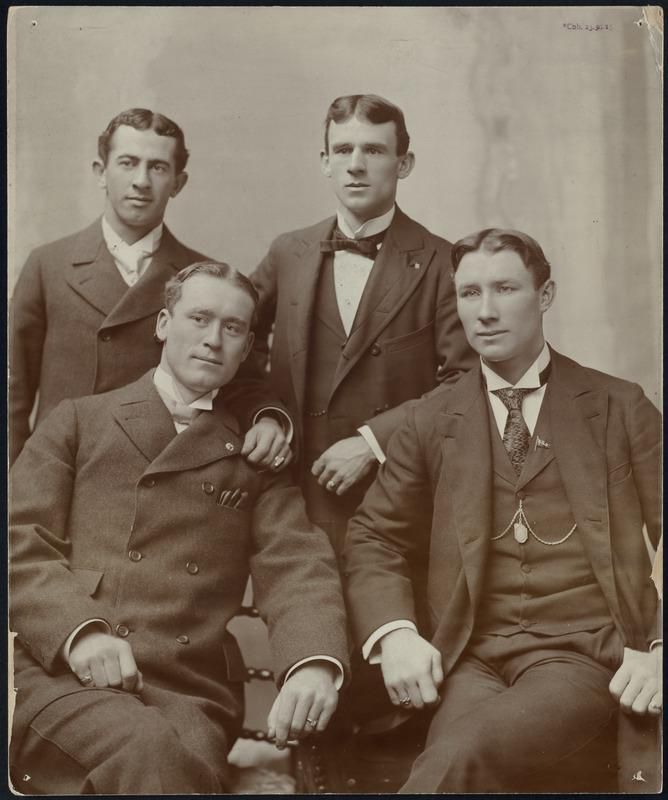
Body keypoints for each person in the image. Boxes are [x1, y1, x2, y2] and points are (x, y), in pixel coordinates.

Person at [9, 262, 349, 795]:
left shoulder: (254, 454)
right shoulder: (79, 421)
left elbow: (298, 567)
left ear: (247, 346)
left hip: (190, 695)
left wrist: (313, 664)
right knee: (148, 754)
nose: (213, 340)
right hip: (66, 677)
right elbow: (18, 541)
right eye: (199, 318)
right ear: (164, 323)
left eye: (232, 328)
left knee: (166, 758)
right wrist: (81, 631)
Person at [343, 228, 662, 792]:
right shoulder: (432, 418)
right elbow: (375, 536)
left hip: (580, 653)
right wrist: (396, 635)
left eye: (505, 289)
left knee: (459, 754)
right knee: (454, 753)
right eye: (469, 294)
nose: (484, 312)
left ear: (544, 296)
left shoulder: (619, 406)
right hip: (471, 657)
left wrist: (661, 646)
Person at [251, 94, 474, 555]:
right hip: (293, 494)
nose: (355, 165)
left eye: (373, 151)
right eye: (342, 150)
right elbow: (233, 345)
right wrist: (266, 414)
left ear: (404, 163)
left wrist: (374, 443)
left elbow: (466, 381)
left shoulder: (442, 262)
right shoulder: (287, 252)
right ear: (324, 162)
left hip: (394, 498)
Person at [10, 108, 290, 470]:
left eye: (158, 167)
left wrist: (267, 418)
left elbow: (244, 377)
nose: (141, 180)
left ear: (178, 182)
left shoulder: (203, 278)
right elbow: (13, 389)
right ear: (101, 172)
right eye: (127, 163)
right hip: (61, 466)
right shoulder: (48, 264)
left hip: (157, 471)